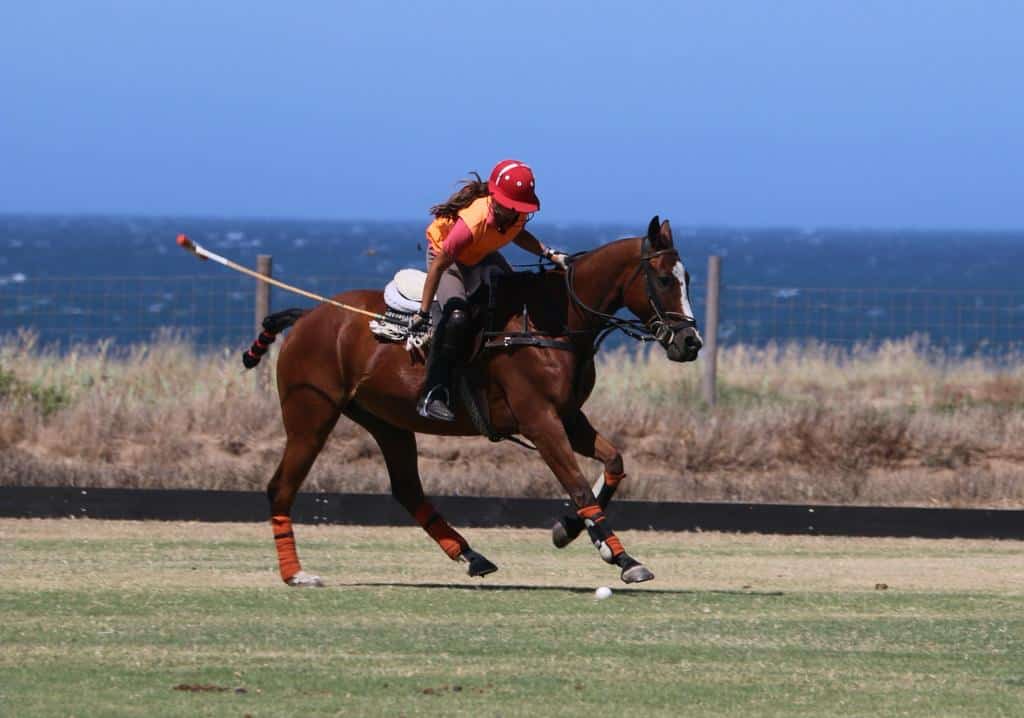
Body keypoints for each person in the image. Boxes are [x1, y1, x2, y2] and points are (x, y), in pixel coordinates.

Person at [410, 159, 569, 421]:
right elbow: (438, 266)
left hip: (480, 254)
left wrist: (551, 255)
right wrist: (423, 312)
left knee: (516, 293)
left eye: (521, 208)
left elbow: (518, 234)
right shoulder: (472, 222)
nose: (518, 213)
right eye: (513, 208)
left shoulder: (513, 214)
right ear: (497, 199)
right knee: (458, 317)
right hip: (448, 260)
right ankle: (434, 392)